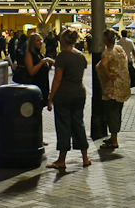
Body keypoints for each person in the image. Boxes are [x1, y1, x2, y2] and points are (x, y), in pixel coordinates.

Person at [46, 29, 91, 171]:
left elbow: (58, 78)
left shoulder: (62, 56)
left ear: (63, 41)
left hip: (64, 94)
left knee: (63, 125)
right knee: (78, 123)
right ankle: (85, 158)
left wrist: (50, 98)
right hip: (79, 93)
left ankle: (62, 159)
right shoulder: (81, 56)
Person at [96, 29, 131, 149]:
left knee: (111, 113)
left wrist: (107, 74)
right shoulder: (119, 49)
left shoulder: (108, 52)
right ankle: (113, 137)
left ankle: (114, 140)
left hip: (112, 87)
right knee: (117, 111)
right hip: (123, 85)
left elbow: (103, 64)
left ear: (106, 39)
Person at [24, 33, 54, 106]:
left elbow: (42, 72)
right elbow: (31, 72)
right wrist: (42, 62)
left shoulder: (39, 55)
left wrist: (49, 66)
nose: (40, 42)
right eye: (37, 40)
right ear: (32, 43)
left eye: (41, 40)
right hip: (33, 89)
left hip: (42, 89)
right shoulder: (29, 55)